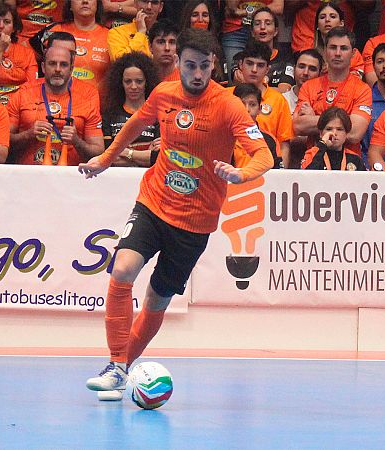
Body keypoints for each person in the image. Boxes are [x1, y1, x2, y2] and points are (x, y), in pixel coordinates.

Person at [79, 28, 273, 402]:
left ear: (214, 64)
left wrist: (241, 173)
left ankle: (120, 369)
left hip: (194, 222)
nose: (196, 74)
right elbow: (136, 124)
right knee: (121, 270)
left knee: (156, 300)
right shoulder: (164, 94)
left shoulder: (229, 106)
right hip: (153, 202)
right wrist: (105, 159)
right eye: (189, 66)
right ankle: (117, 366)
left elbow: (263, 154)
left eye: (203, 66)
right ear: (178, 64)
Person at [7, 45, 104, 165]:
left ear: (71, 69)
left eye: (63, 64)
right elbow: (3, 142)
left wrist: (76, 141)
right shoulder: (22, 95)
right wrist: (28, 134)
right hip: (29, 175)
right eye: (52, 63)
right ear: (43, 67)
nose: (57, 69)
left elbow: (99, 152)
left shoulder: (86, 101)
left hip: (71, 176)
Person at [293, 27, 371, 158]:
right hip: (314, 160)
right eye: (333, 47)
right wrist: (343, 123)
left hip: (349, 164)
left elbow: (355, 133)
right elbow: (298, 126)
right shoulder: (309, 86)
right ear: (325, 51)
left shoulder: (362, 89)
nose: (338, 53)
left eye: (344, 48)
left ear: (353, 53)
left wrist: (315, 119)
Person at [235, 41, 294, 166]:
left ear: (268, 69)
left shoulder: (279, 100)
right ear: (241, 64)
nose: (254, 70)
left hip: (266, 170)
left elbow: (284, 145)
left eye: (260, 65)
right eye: (249, 63)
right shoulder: (226, 96)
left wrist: (281, 178)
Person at [101, 51, 160, 167]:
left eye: (139, 81)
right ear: (120, 83)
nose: (133, 86)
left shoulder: (158, 115)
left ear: (147, 82)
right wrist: (144, 153)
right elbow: (109, 158)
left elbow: (157, 158)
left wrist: (127, 152)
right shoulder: (109, 115)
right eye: (128, 81)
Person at [0, 1, 38, 105]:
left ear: (14, 28)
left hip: (19, 105)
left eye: (7, 22)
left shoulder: (27, 53)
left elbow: (32, 86)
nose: (1, 26)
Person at [50, 0, 111, 88]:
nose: (85, 1)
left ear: (98, 4)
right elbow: (28, 57)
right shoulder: (54, 30)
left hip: (97, 100)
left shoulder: (111, 36)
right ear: (70, 5)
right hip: (58, 99)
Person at [232, 82, 281, 167]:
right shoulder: (223, 138)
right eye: (242, 104)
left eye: (252, 105)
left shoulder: (269, 140)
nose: (247, 109)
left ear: (259, 109)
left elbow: (277, 173)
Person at [302, 106, 366, 170]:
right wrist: (322, 144)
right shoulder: (312, 155)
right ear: (321, 133)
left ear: (346, 133)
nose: (334, 133)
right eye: (329, 129)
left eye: (339, 129)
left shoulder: (355, 159)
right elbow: (306, 175)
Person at [221, 0, 284, 65]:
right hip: (236, 31)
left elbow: (278, 7)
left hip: (264, 31)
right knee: (235, 71)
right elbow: (232, 9)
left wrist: (246, 12)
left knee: (267, 70)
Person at [312, 3, 365, 79]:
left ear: (341, 23)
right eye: (322, 17)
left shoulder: (352, 53)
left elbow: (357, 81)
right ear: (317, 25)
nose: (327, 20)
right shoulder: (311, 54)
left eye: (332, 16)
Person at [249, 8, 293, 92]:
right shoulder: (243, 58)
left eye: (268, 23)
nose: (262, 27)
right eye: (257, 24)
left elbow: (285, 90)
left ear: (276, 31)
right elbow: (242, 88)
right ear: (252, 32)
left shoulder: (286, 58)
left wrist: (257, 89)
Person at [288, 0, 355, 53]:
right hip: (305, 36)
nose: (327, 20)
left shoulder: (351, 53)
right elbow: (284, 6)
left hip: (346, 32)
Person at [283, 48, 323, 114]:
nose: (305, 73)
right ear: (294, 70)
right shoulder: (282, 100)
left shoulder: (325, 102)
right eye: (301, 67)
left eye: (312, 69)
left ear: (320, 74)